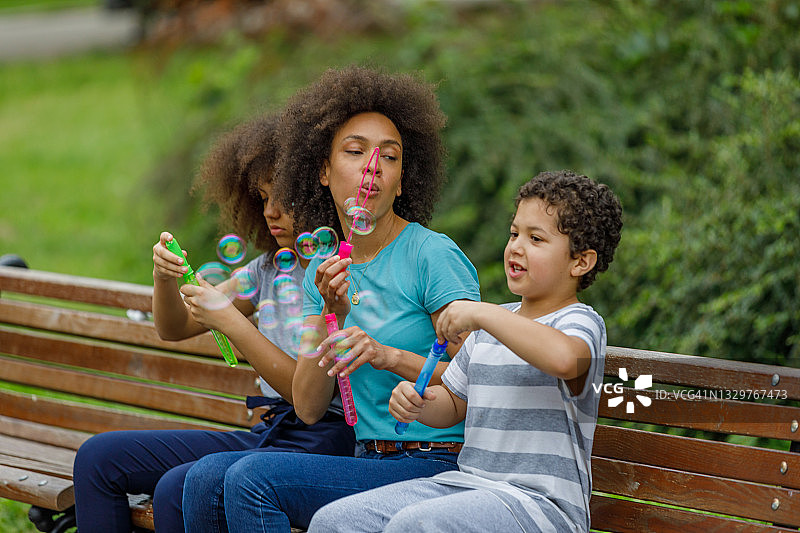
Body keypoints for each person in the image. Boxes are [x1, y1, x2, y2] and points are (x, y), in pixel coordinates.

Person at [182, 66, 482, 532]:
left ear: (402, 181)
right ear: (322, 171)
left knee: (250, 481)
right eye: (356, 151)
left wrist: (389, 356)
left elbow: (480, 379)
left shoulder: (431, 255)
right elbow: (306, 404)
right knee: (204, 479)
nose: (372, 168)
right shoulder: (322, 272)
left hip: (437, 464)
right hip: (368, 458)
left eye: (389, 157)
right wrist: (330, 315)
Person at [72, 113, 355, 533]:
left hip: (323, 442)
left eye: (286, 198)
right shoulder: (265, 271)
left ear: (319, 190)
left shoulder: (335, 274)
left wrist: (235, 325)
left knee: (176, 488)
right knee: (98, 457)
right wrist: (165, 278)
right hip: (273, 432)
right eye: (261, 198)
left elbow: (307, 402)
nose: (271, 212)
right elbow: (175, 328)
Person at [309, 170, 624, 533]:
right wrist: (420, 403)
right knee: (335, 521)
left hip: (541, 506)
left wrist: (480, 312)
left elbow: (565, 359)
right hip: (469, 486)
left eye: (536, 238)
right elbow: (455, 404)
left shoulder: (579, 321)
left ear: (580, 262)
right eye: (514, 233)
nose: (516, 247)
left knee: (418, 525)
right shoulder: (493, 324)